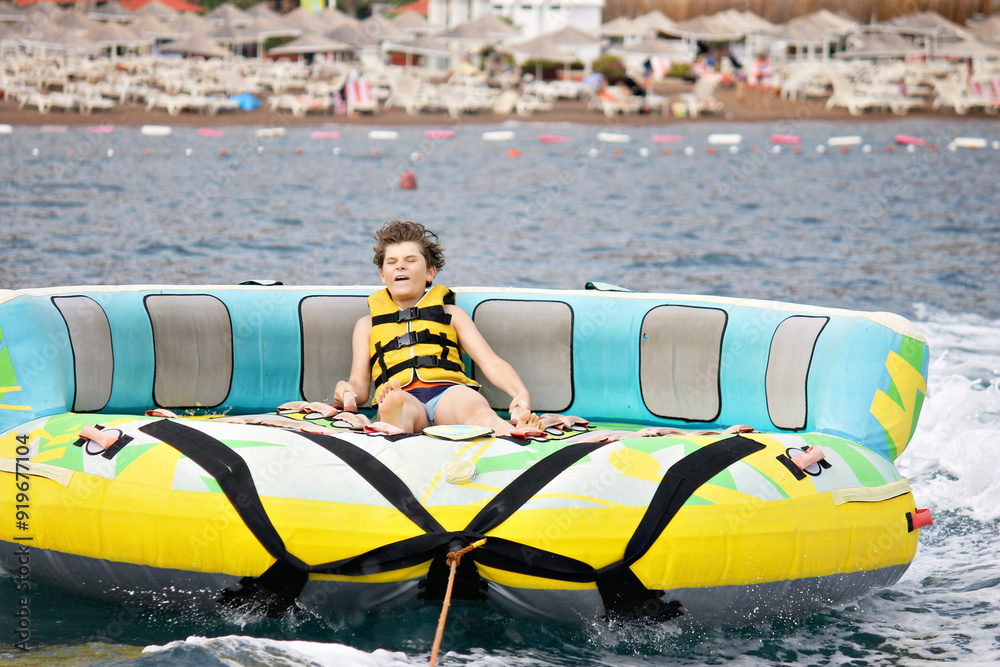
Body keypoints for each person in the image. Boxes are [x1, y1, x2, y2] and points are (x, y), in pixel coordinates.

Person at [333, 220, 542, 436]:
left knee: (473, 406)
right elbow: (359, 384)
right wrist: (346, 390)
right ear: (382, 276)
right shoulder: (366, 325)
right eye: (392, 262)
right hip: (402, 393)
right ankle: (395, 420)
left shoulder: (451, 315)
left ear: (430, 273)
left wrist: (520, 392)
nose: (400, 266)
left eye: (410, 260)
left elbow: (491, 362)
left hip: (448, 391)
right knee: (399, 404)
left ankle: (507, 429)